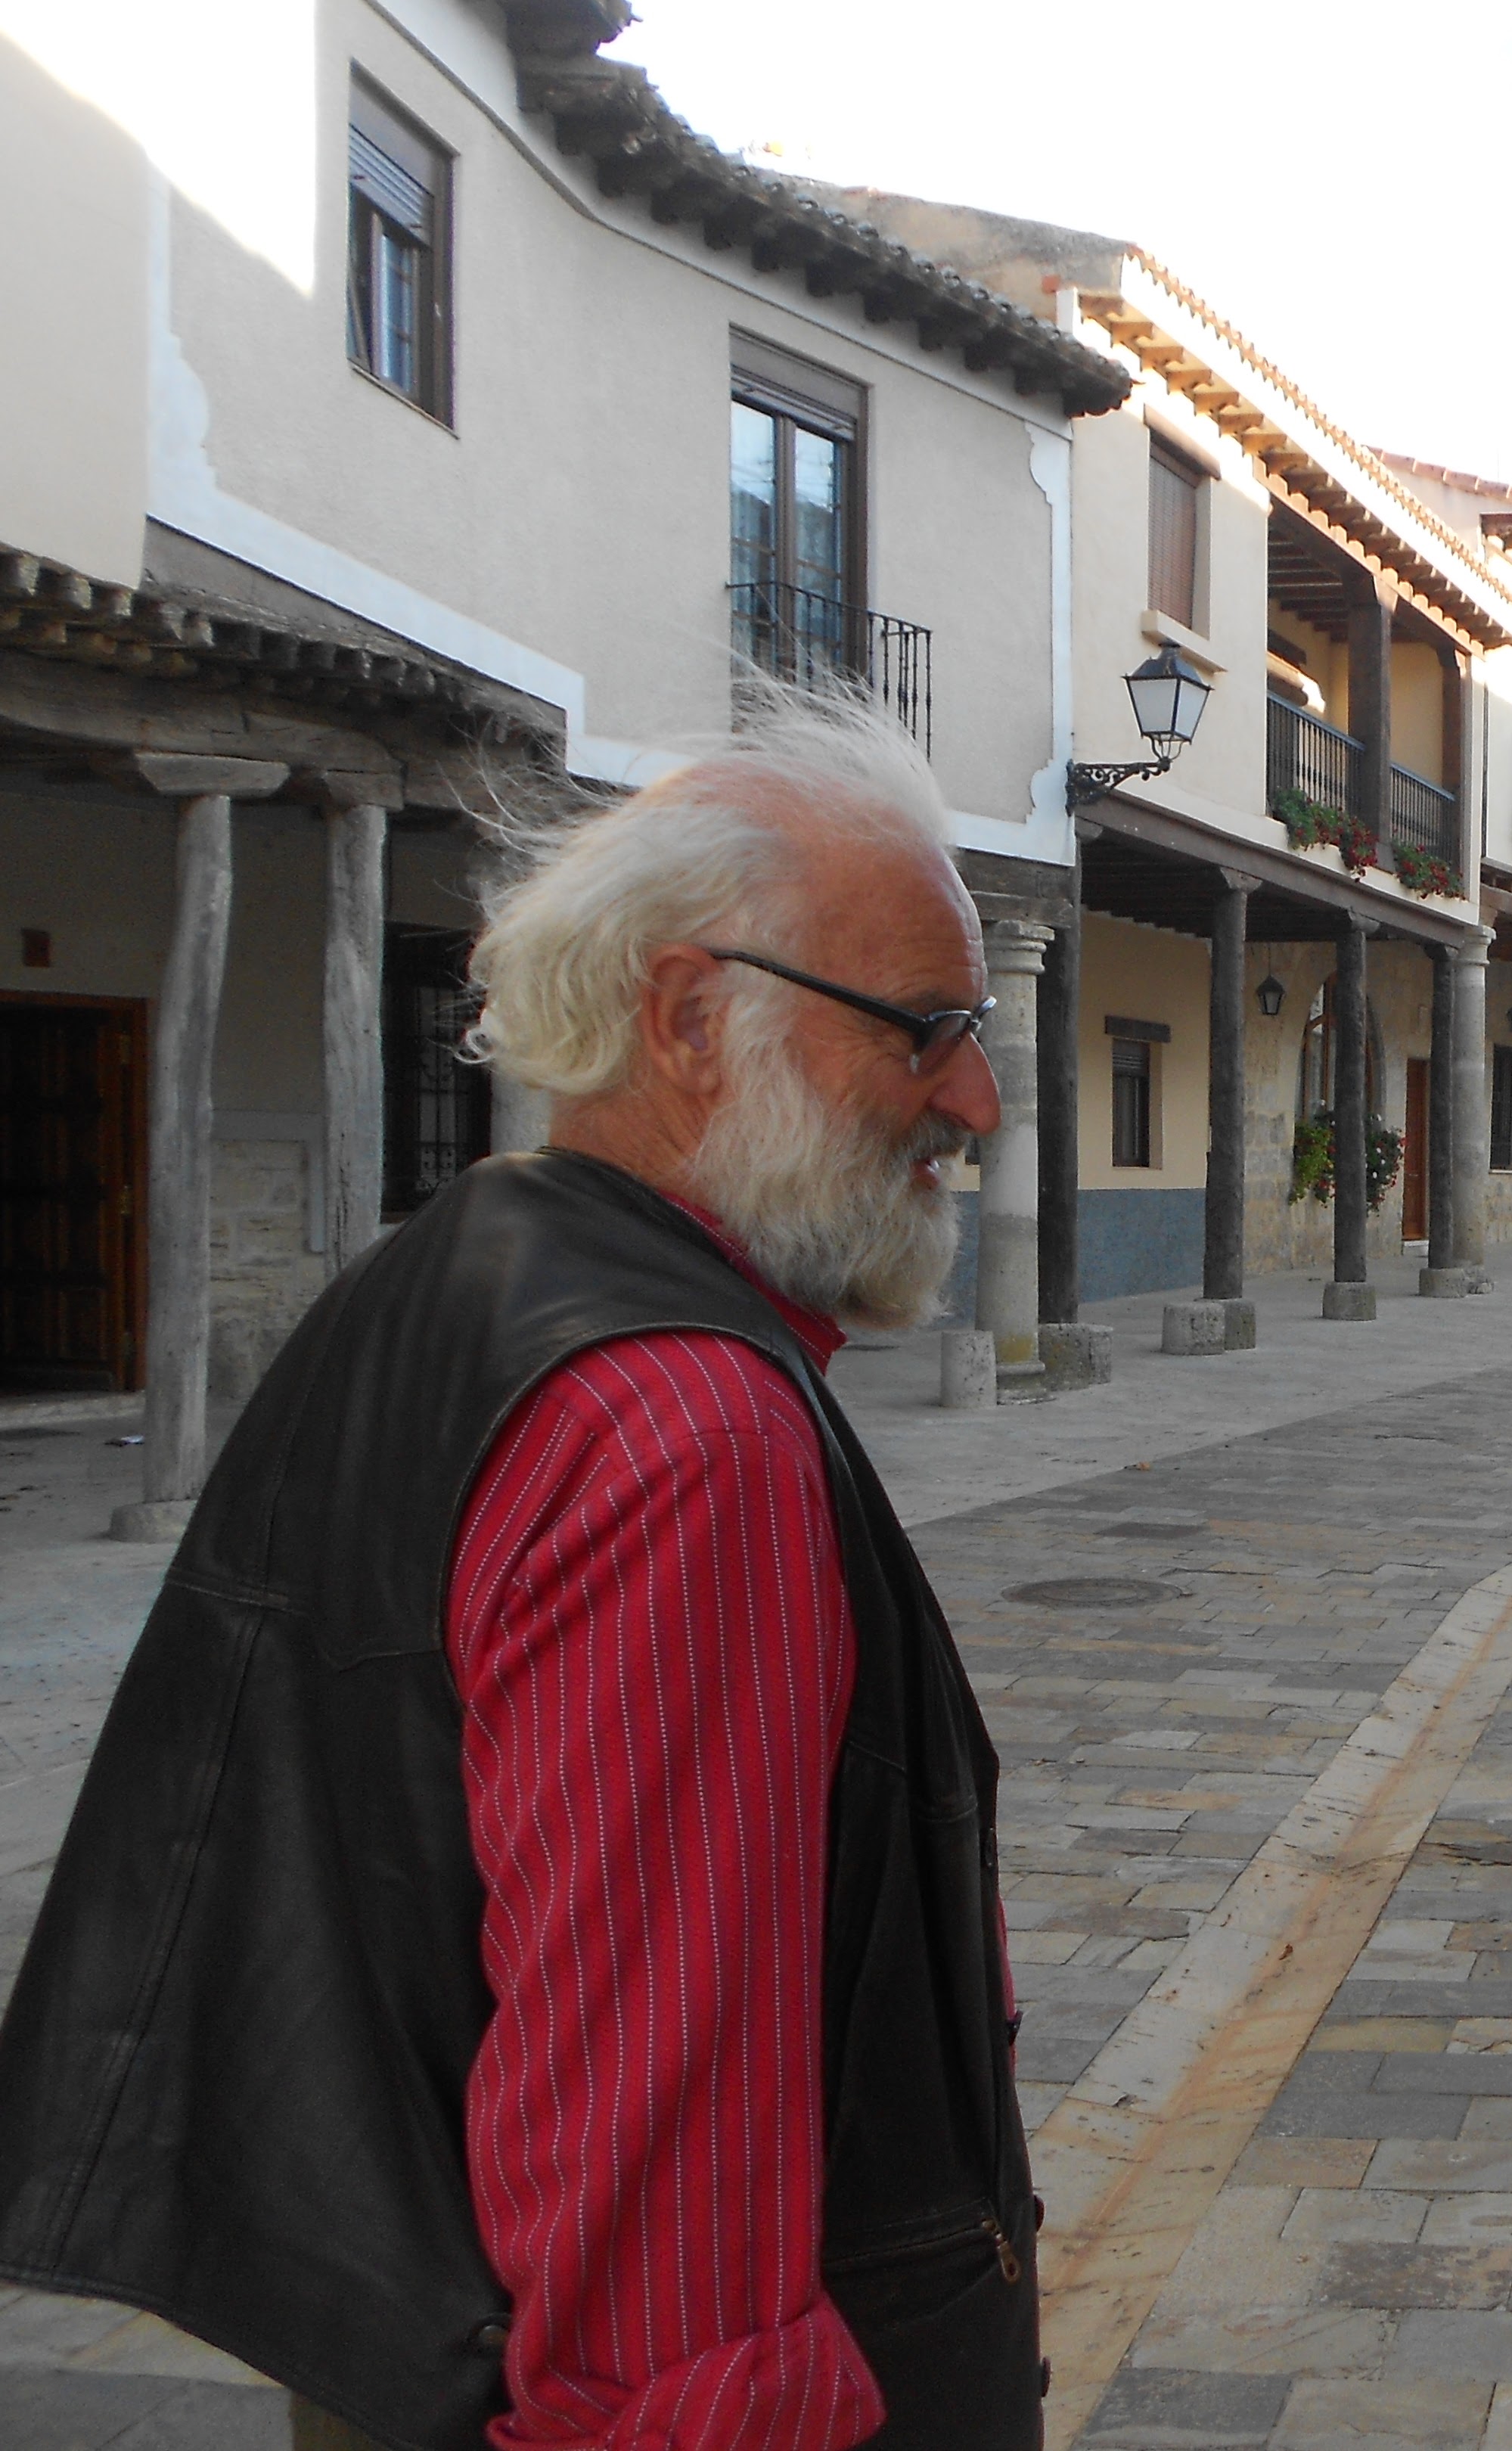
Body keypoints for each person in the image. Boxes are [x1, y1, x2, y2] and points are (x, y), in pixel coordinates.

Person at [0, 701, 1035, 2451]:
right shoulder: (687, 1434)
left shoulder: (439, 1272)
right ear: (695, 1019)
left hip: (401, 2338)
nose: (978, 1099)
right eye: (929, 1031)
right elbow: (659, 2146)